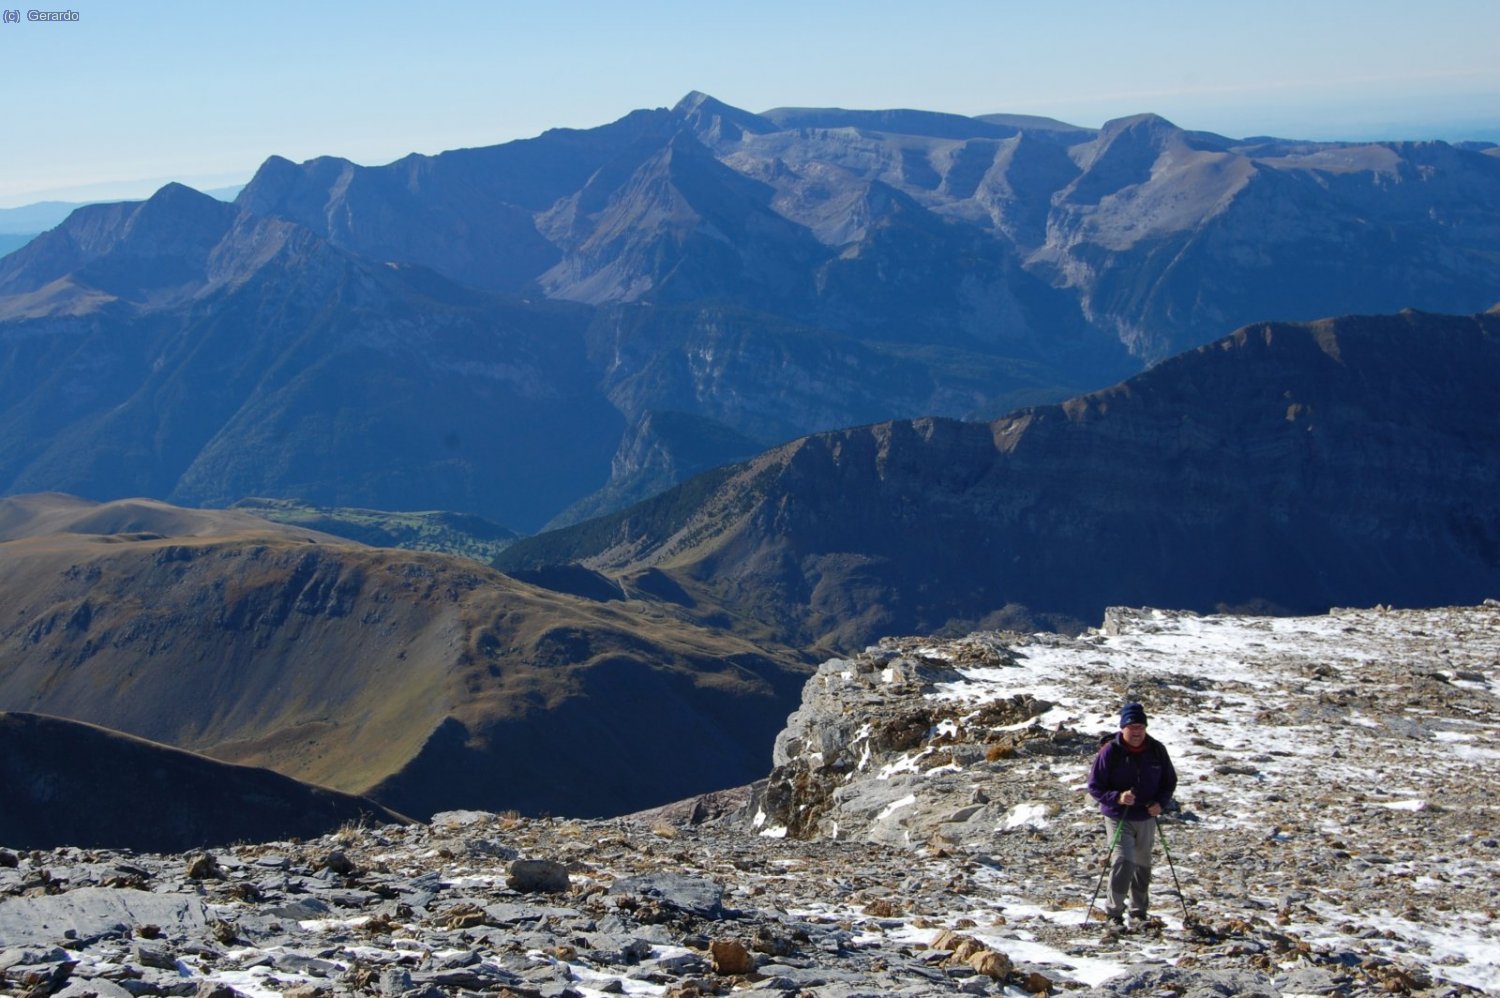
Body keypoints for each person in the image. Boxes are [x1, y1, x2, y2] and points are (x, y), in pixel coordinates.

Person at [1086, 702, 1178, 927]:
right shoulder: (1110, 751)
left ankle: (1138, 913)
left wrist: (1160, 803)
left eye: (1140, 727)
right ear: (1123, 728)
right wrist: (1117, 797)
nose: (1137, 732)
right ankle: (1114, 913)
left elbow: (1169, 781)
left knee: (1142, 865)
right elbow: (1095, 786)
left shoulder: (1156, 749)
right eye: (1132, 727)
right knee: (1124, 861)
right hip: (1118, 816)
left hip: (1146, 815)